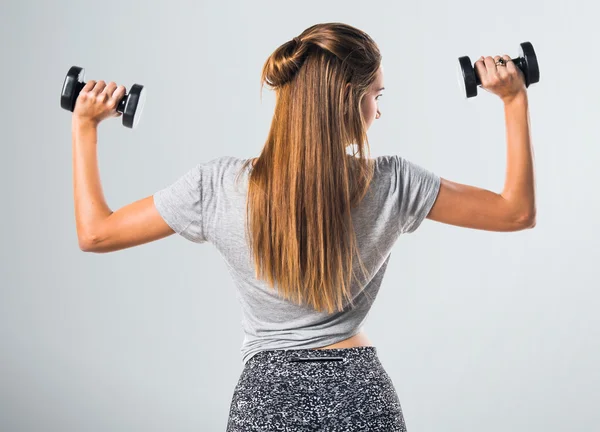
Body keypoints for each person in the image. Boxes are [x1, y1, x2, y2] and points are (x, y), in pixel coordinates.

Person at [70, 22, 536, 432]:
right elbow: (515, 212)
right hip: (361, 402)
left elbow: (96, 233)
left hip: (266, 405)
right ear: (350, 103)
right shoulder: (394, 183)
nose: (379, 111)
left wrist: (85, 127)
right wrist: (513, 99)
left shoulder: (216, 186)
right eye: (377, 96)